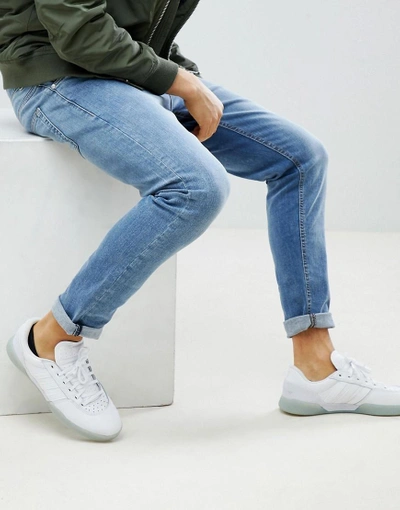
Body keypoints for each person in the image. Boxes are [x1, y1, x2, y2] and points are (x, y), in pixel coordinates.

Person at [2, 0, 399, 442]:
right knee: (196, 187)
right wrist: (181, 82)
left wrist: (181, 76)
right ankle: (52, 338)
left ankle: (316, 367)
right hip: (55, 76)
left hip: (129, 75)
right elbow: (77, 30)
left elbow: (146, 26)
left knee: (301, 159)